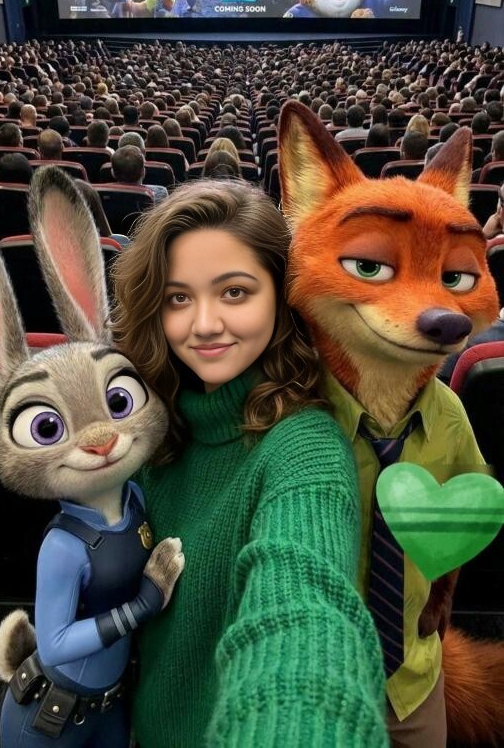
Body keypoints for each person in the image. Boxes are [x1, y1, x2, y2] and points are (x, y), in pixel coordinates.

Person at [112, 180, 387, 748]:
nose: (204, 324)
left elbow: (304, 613)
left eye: (234, 292)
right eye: (177, 298)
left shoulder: (305, 449)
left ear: (283, 298)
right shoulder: (145, 425)